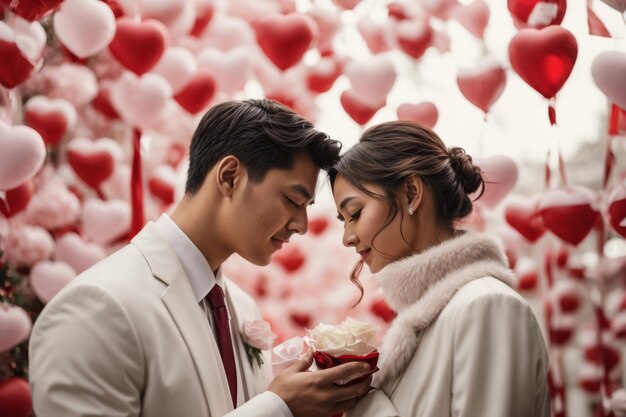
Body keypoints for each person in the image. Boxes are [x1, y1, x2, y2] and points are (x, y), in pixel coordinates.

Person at [29, 99, 373, 417]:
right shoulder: (98, 307)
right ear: (229, 177)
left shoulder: (242, 307)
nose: (301, 225)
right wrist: (276, 409)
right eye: (292, 200)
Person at [330, 121, 551, 417]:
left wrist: (366, 405)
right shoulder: (426, 322)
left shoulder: (488, 306)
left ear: (411, 192)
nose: (348, 238)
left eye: (355, 213)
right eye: (343, 220)